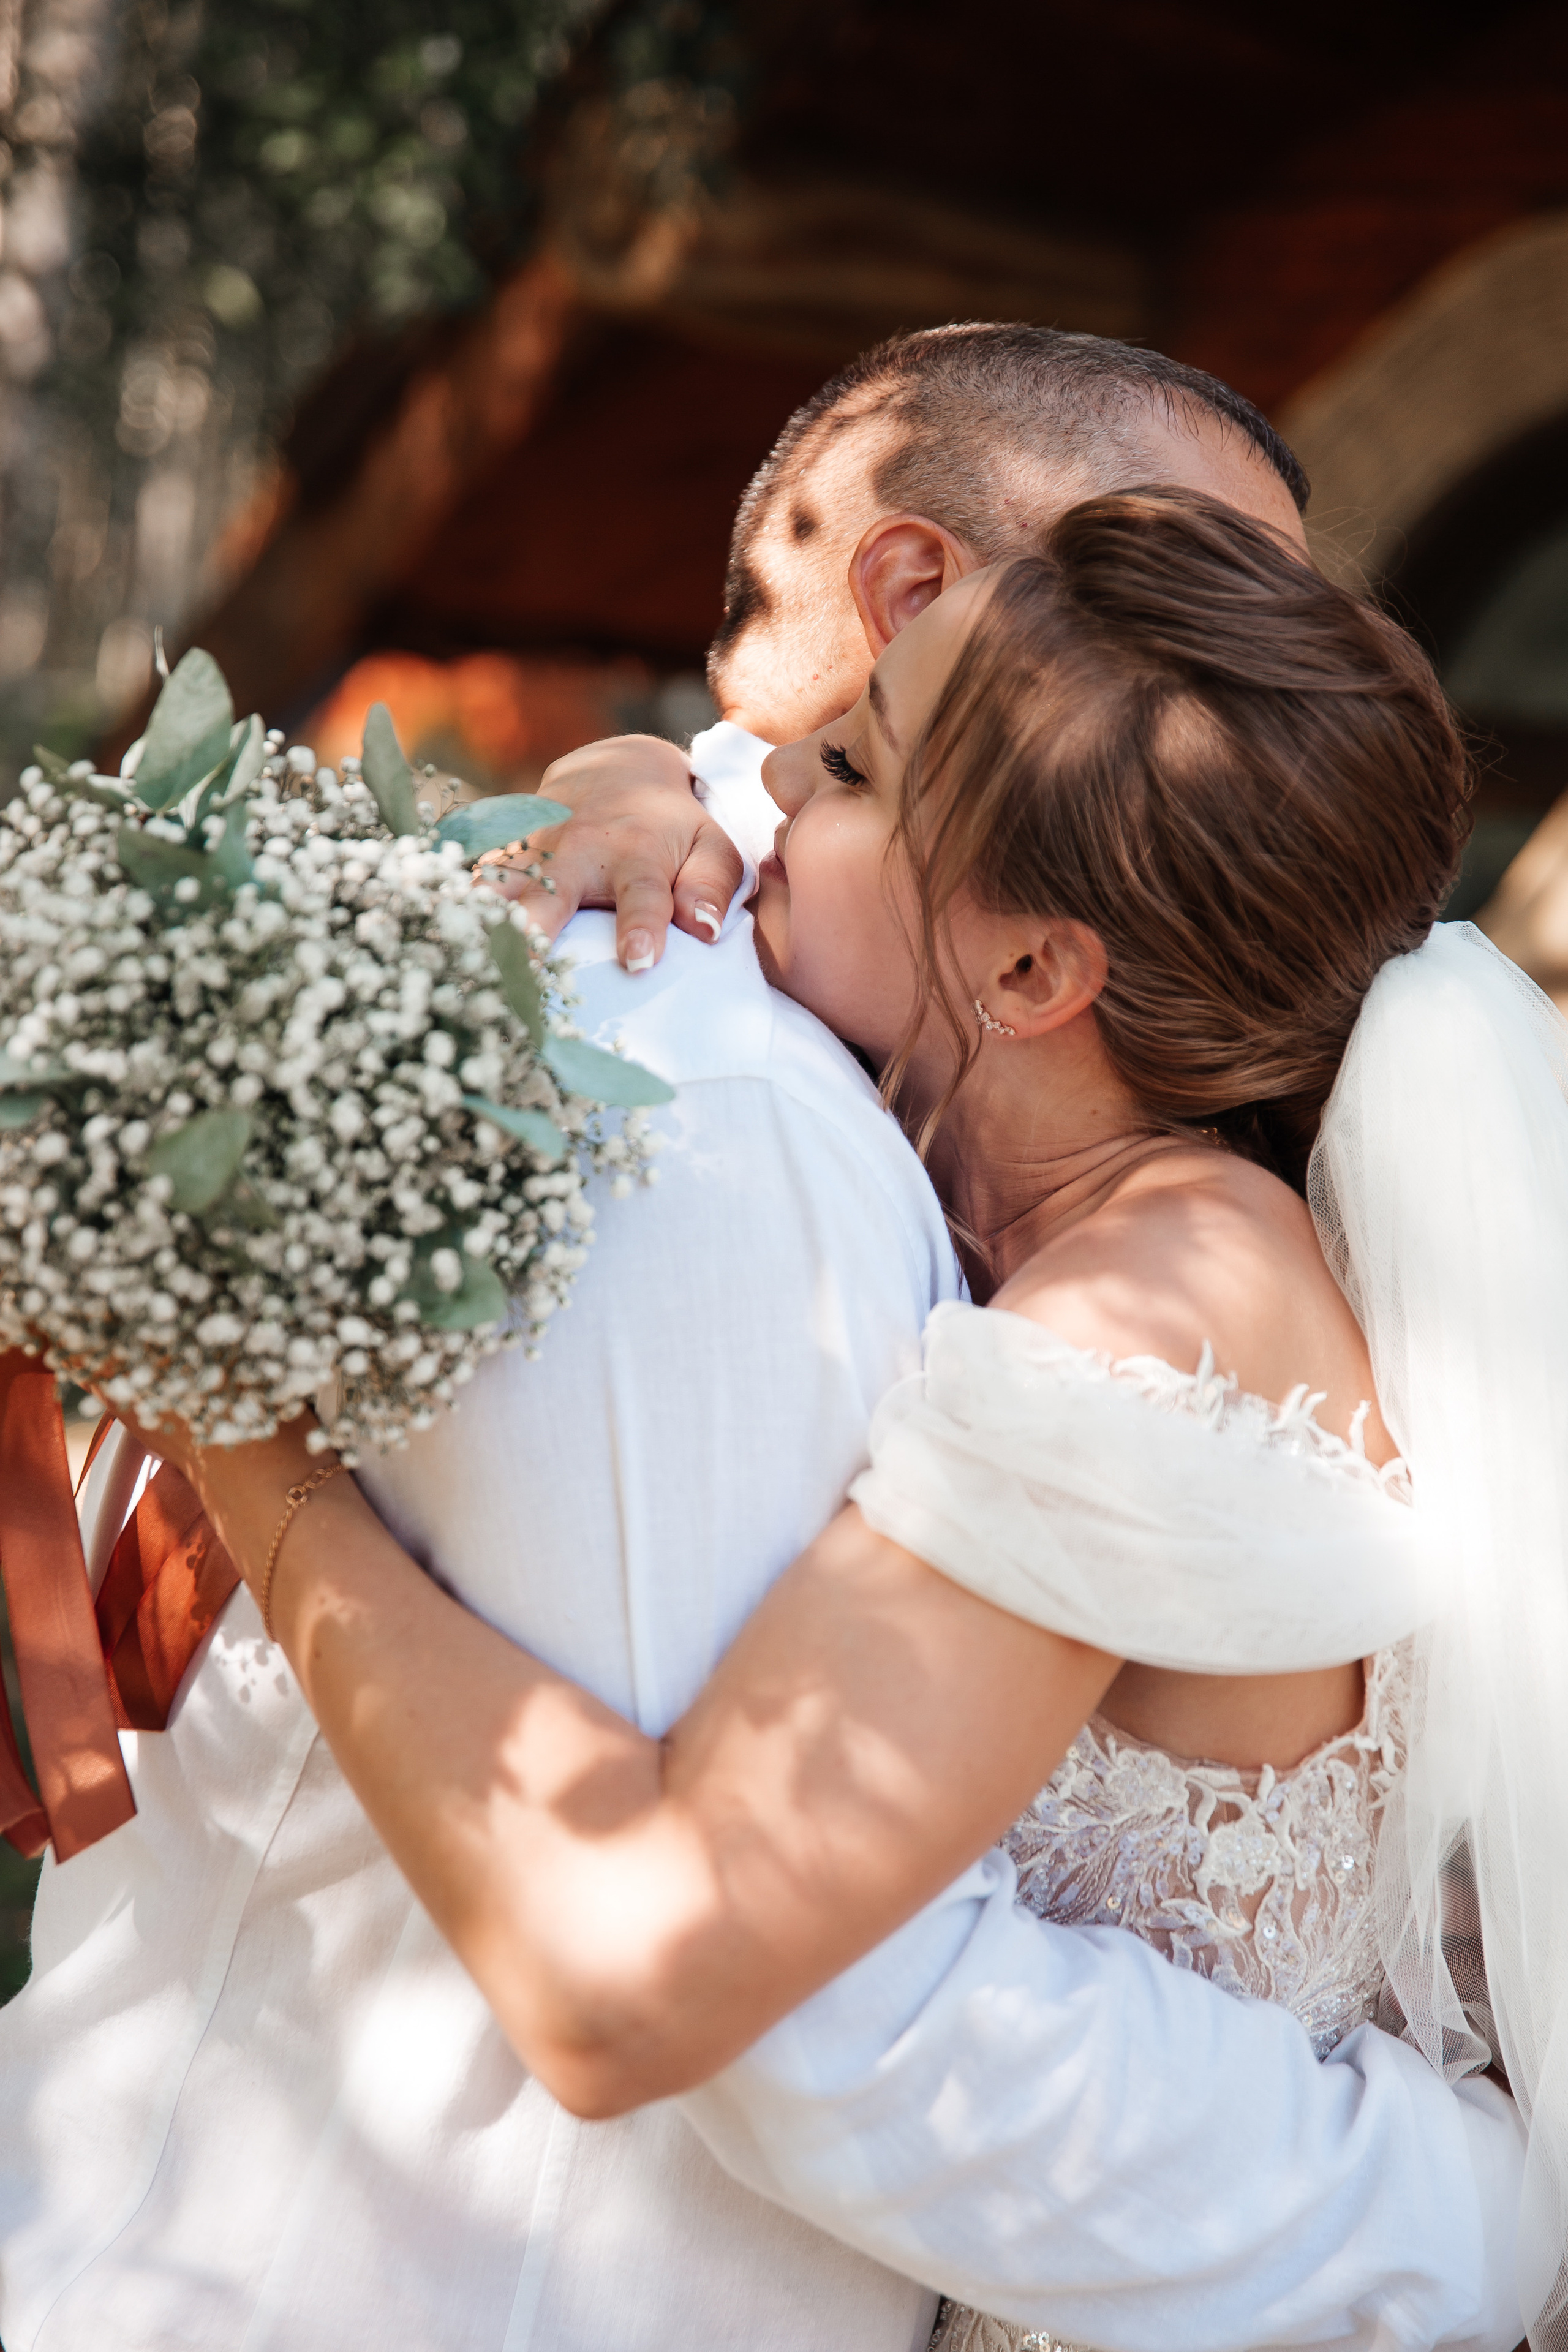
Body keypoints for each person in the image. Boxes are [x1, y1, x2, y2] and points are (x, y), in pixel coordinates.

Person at [0, 332, 1523, 2352]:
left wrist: (240, 1436)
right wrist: (610, 782)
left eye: (851, 772)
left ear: (1045, 964)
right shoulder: (1017, 1182)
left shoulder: (1160, 1309)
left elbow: (630, 1970)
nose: (756, 790)